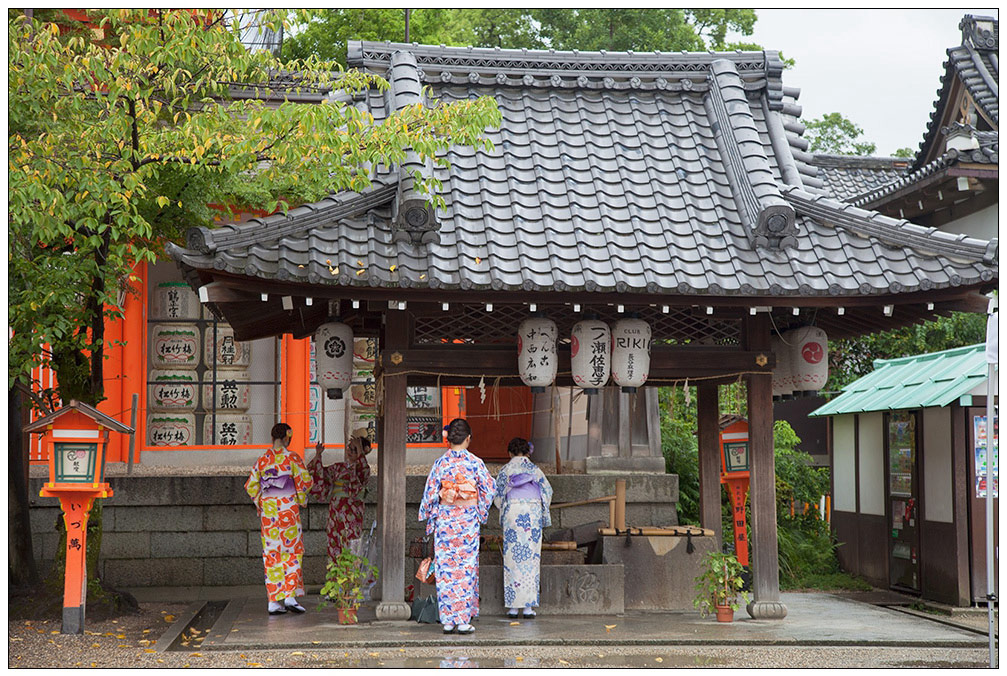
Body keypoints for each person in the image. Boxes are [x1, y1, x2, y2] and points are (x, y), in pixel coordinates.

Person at [418, 418, 494, 634]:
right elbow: (488, 489)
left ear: (449, 439)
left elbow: (431, 494)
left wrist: (433, 517)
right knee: (465, 569)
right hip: (468, 521)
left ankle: (448, 620)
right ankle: (462, 620)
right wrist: (479, 512)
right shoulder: (475, 463)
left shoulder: (440, 464)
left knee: (447, 569)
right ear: (468, 439)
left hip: (446, 521)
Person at [245, 422, 312, 615]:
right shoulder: (292, 458)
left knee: (272, 554)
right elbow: (305, 481)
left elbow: (251, 486)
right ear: (286, 438)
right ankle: (290, 597)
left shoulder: (262, 460)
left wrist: (262, 503)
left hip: (270, 516)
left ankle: (273, 601)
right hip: (288, 512)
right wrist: (300, 498)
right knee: (292, 552)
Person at [493, 437, 554, 619]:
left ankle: (513, 607)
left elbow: (497, 494)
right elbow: (547, 491)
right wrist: (541, 511)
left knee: (512, 558)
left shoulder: (506, 469)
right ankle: (528, 608)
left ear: (510, 453)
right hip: (532, 512)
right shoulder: (535, 470)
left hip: (513, 511)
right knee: (531, 559)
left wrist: (504, 508)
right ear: (528, 452)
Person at [309, 435, 372, 566]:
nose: (349, 451)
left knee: (352, 543)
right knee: (334, 543)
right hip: (336, 512)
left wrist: (359, 447)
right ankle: (336, 580)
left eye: (354, 449)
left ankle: (351, 579)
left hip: (352, 512)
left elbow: (363, 471)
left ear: (362, 452)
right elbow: (320, 475)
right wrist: (318, 455)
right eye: (349, 448)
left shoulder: (363, 469)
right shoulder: (338, 467)